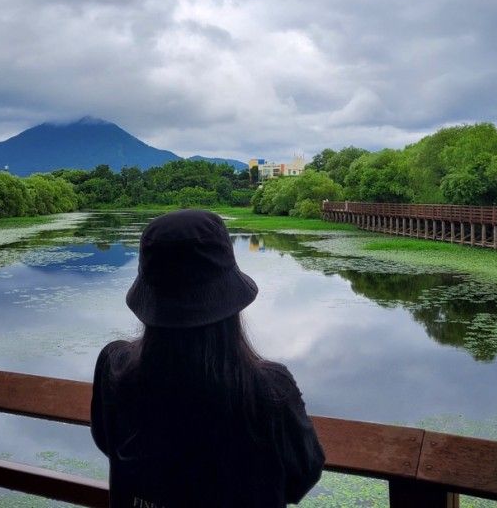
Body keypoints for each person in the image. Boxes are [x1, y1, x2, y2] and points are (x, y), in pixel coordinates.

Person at [91, 210, 325, 508]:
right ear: (229, 296)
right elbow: (302, 476)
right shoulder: (269, 390)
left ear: (149, 296)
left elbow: (106, 440)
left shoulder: (114, 367)